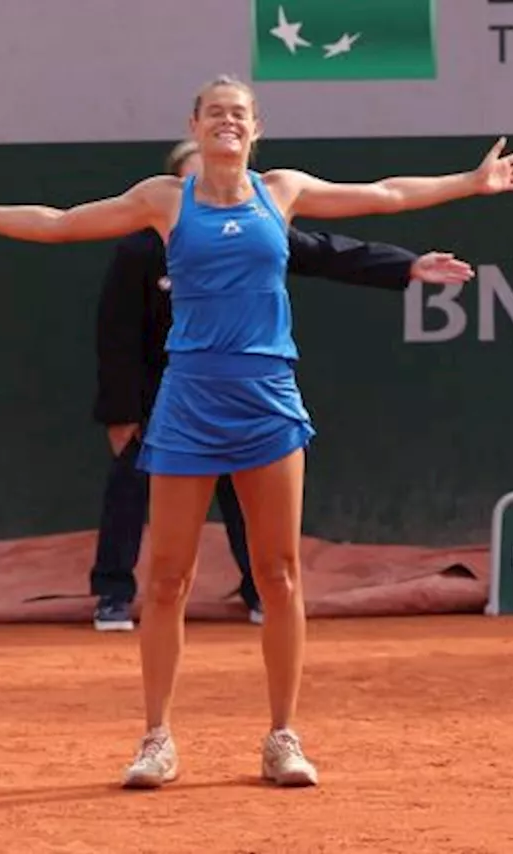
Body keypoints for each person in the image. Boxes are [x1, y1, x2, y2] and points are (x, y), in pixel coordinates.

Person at [0, 74, 513, 790]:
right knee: (169, 579)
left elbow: (386, 193)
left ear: (256, 127)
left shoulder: (283, 189)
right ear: (196, 125)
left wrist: (473, 182)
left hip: (268, 399)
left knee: (280, 575)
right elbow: (58, 222)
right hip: (188, 404)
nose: (227, 124)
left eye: (238, 114)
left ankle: (283, 738)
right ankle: (156, 741)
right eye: (215, 114)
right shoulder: (163, 201)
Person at [90, 138, 436, 633]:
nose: (212, 187)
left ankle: (258, 592)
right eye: (196, 177)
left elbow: (337, 249)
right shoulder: (140, 248)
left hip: (247, 399)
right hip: (162, 403)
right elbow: (115, 333)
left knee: (249, 506)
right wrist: (122, 411)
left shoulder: (257, 232)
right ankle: (112, 595)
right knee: (131, 499)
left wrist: (406, 265)